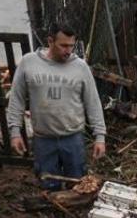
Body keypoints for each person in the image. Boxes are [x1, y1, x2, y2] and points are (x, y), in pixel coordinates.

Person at [6, 23, 106, 189]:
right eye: (63, 45)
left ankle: (75, 214)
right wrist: (15, 132)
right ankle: (52, 210)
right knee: (48, 184)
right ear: (50, 41)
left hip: (72, 138)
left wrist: (100, 136)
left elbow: (93, 103)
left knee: (78, 186)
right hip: (43, 139)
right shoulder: (28, 63)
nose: (68, 51)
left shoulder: (80, 67)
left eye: (71, 46)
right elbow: (16, 99)